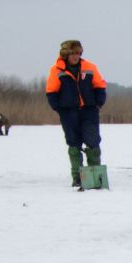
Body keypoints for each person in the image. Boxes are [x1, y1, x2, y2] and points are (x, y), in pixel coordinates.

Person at [44, 39, 107, 188]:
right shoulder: (57, 70)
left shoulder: (90, 67)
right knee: (73, 143)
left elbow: (100, 86)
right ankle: (78, 177)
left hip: (89, 111)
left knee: (93, 142)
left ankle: (95, 175)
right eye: (72, 53)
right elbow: (51, 92)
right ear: (66, 54)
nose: (75, 56)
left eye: (78, 53)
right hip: (68, 112)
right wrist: (59, 108)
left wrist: (98, 103)